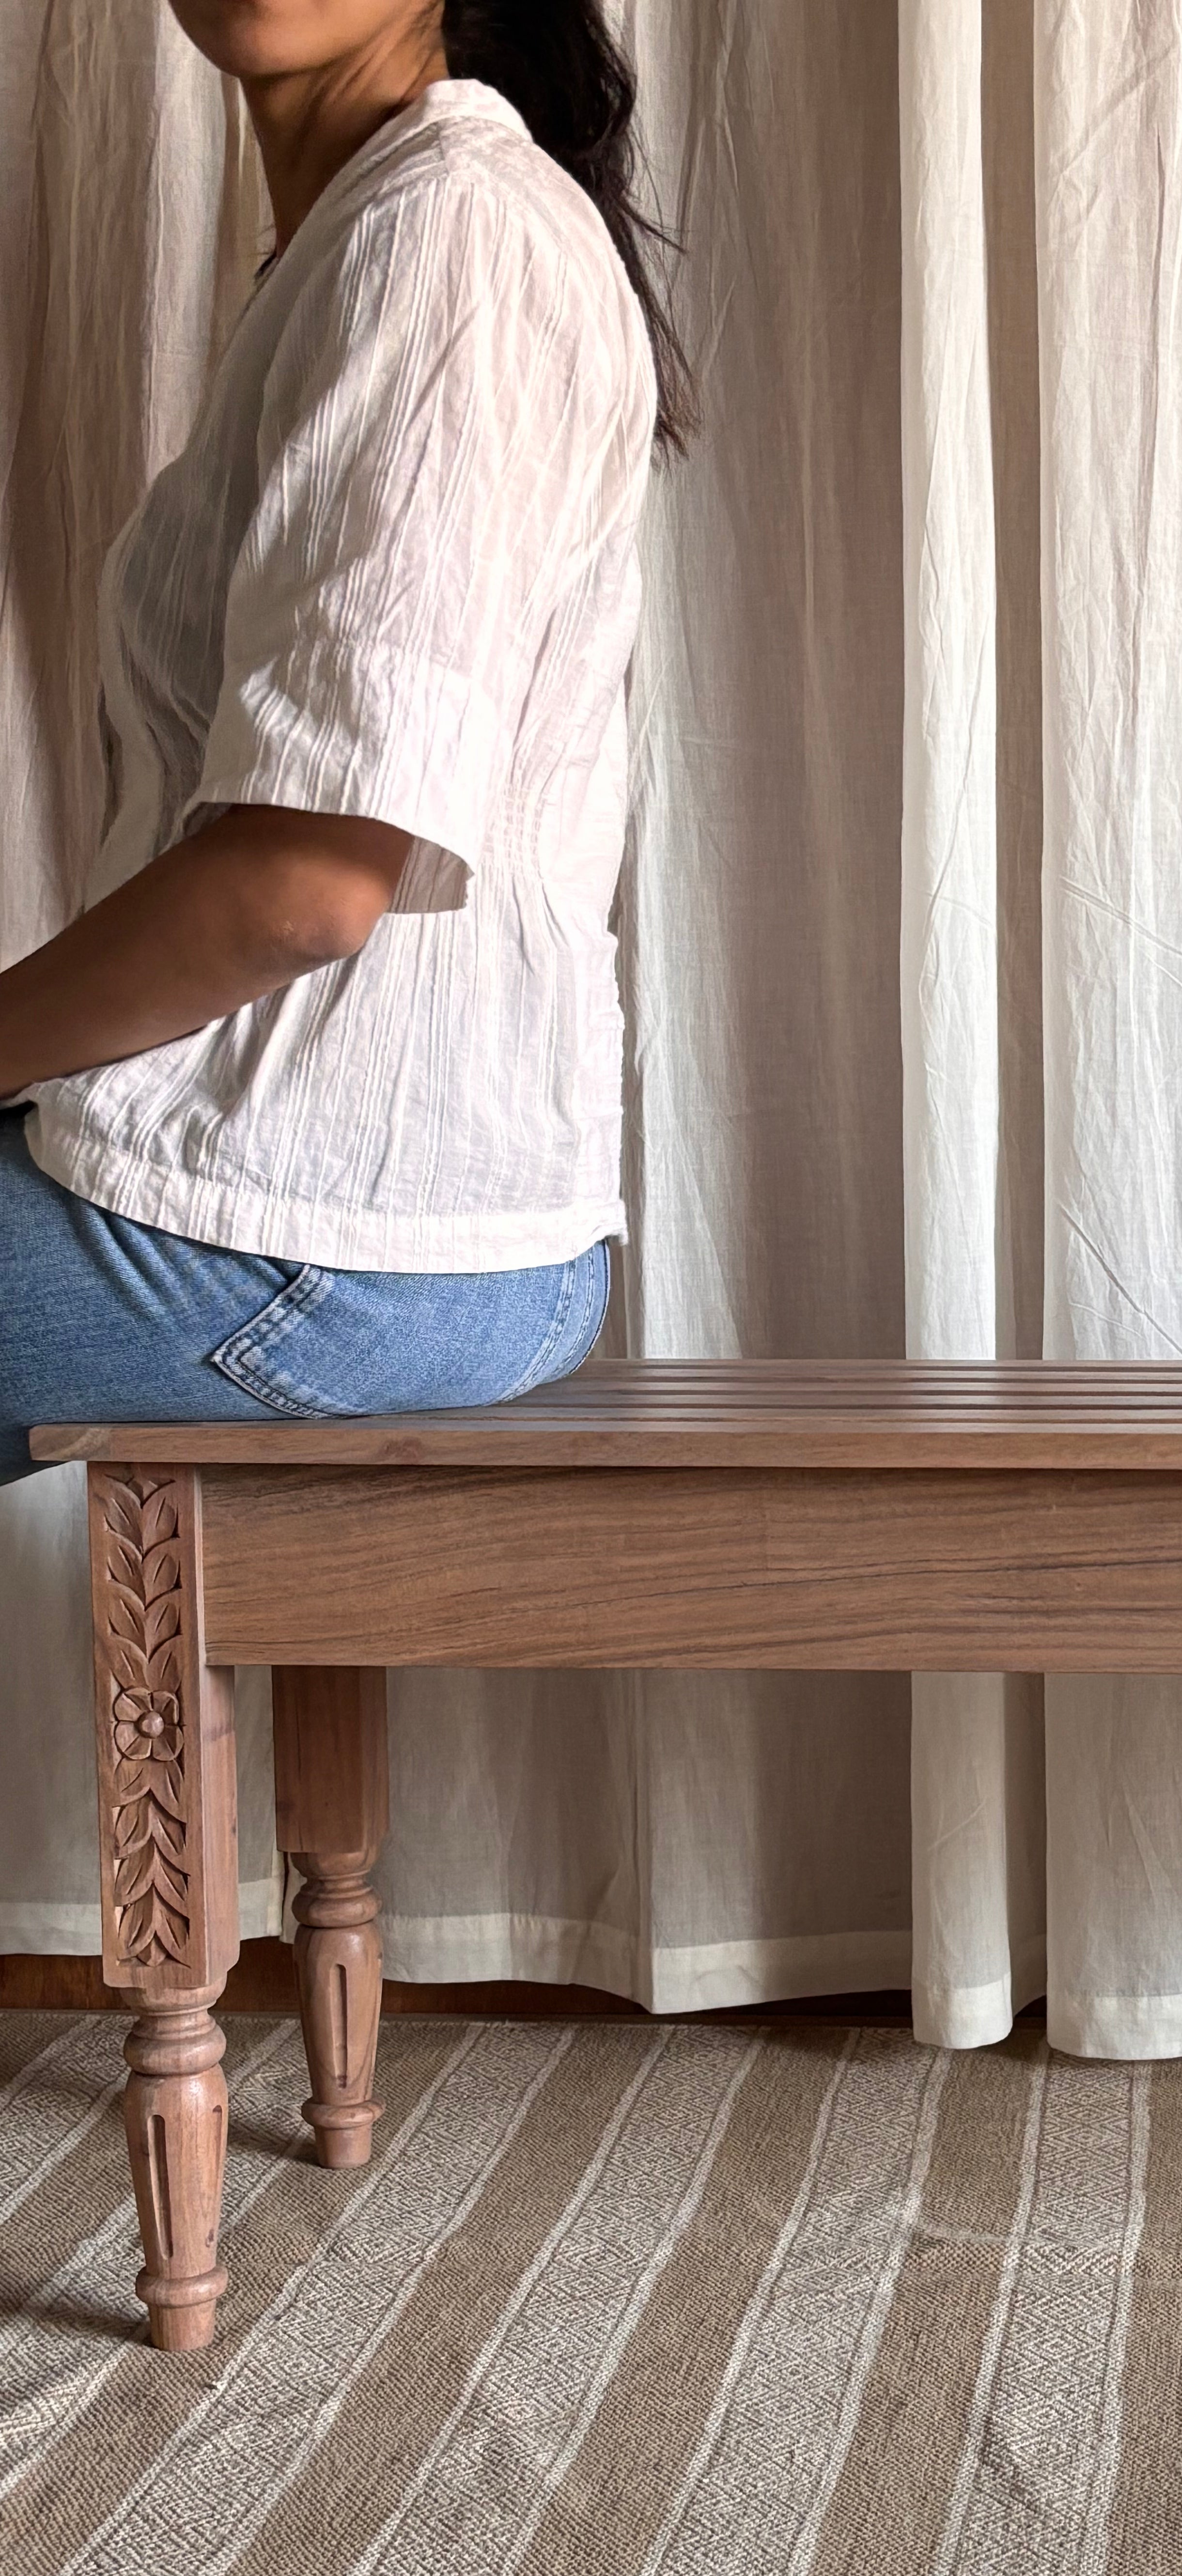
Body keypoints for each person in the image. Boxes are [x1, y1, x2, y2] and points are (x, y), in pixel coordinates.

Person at [0, 0, 694, 1483]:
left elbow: (301, 884)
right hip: (363, 1219)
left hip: (323, 1234)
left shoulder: (444, 231)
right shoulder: (377, 229)